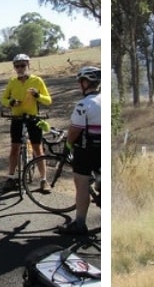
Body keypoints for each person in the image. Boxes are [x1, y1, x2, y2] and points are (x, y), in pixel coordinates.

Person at [55, 66, 102, 236]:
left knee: (81, 185)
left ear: (85, 82)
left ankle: (80, 224)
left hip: (86, 150)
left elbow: (75, 130)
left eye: (79, 82)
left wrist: (67, 145)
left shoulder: (84, 104)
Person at [1, 54, 51, 189]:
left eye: (23, 65)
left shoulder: (37, 80)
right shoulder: (12, 82)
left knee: (37, 149)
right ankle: (10, 178)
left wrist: (37, 95)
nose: (20, 68)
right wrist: (10, 102)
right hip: (16, 119)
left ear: (28, 65)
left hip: (33, 118)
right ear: (14, 68)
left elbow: (48, 100)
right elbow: (3, 99)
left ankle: (43, 180)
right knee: (14, 149)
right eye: (17, 66)